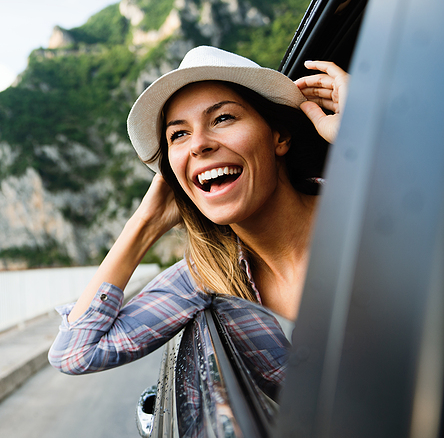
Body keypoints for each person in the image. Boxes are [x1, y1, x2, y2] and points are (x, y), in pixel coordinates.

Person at [49, 46, 349, 375]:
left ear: (279, 136)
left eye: (222, 118)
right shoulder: (209, 274)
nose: (198, 144)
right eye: (179, 134)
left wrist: (368, 136)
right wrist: (144, 225)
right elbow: (75, 353)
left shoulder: (368, 207)